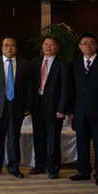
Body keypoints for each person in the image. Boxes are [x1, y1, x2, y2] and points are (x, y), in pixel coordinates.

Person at [69, 33, 98, 187]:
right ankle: (83, 171)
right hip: (80, 112)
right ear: (80, 47)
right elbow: (72, 90)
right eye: (85, 43)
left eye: (91, 43)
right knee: (81, 143)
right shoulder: (75, 65)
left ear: (96, 46)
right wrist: (72, 110)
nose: (88, 46)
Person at [0, 35, 32, 178]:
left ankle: (14, 167)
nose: (9, 48)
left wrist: (27, 106)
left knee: (14, 138)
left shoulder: (25, 64)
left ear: (16, 48)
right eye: (6, 45)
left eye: (12, 45)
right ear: (1, 48)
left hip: (17, 106)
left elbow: (29, 87)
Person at [30, 36, 71, 179]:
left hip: (54, 106)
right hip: (38, 104)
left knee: (53, 138)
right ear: (42, 46)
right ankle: (40, 164)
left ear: (57, 47)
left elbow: (65, 89)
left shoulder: (63, 65)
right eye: (46, 44)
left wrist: (61, 109)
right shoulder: (34, 62)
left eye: (52, 44)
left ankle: (53, 168)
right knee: (39, 137)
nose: (49, 47)